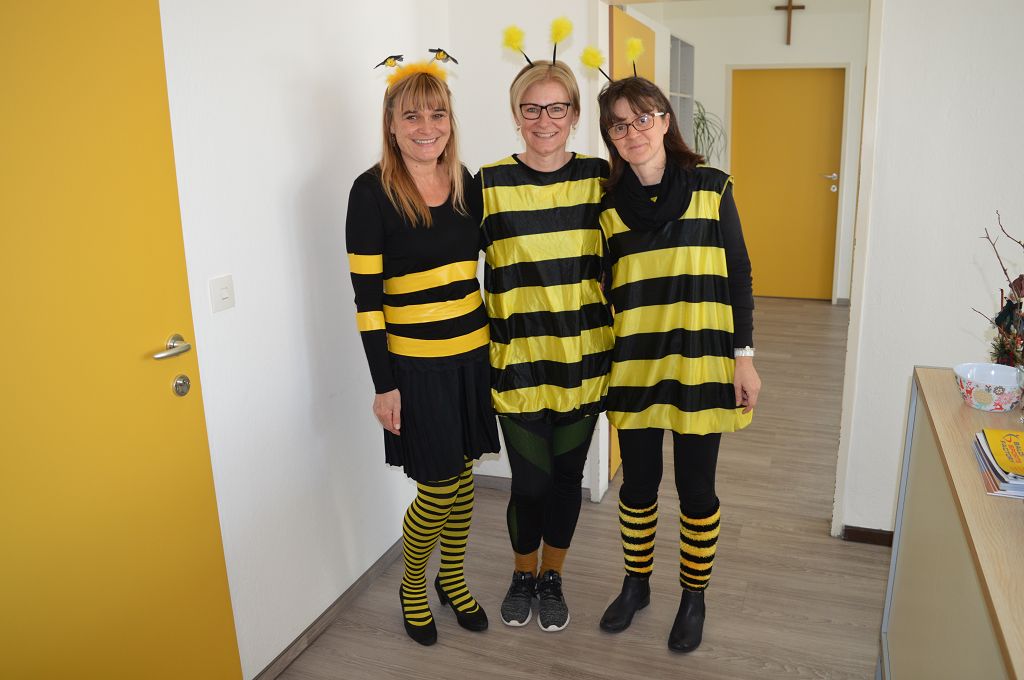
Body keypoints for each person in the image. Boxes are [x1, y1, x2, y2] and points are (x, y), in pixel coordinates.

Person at [594, 76, 761, 653]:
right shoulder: (607, 209)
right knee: (638, 486)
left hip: (701, 361)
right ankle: (636, 584)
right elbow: (600, 287)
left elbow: (738, 274)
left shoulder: (712, 188)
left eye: (643, 118)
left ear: (665, 120)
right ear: (610, 137)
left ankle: (694, 596)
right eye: (619, 124)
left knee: (696, 489)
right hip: (635, 364)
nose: (633, 132)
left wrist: (744, 358)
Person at [345, 62, 500, 646]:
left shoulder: (465, 183)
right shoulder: (371, 192)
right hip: (416, 367)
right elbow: (367, 302)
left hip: (472, 356)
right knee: (437, 486)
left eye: (437, 114)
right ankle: (414, 584)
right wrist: (384, 385)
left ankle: (452, 579)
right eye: (411, 115)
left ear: (450, 121)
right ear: (390, 123)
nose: (426, 126)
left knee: (462, 477)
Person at [475, 59, 613, 633]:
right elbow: (445, 257)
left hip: (583, 359)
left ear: (575, 115)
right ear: (516, 115)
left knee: (565, 479)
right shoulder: (486, 184)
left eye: (557, 107)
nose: (544, 119)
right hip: (517, 362)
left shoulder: (602, 178)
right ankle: (521, 573)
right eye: (531, 108)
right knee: (529, 484)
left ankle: (552, 575)